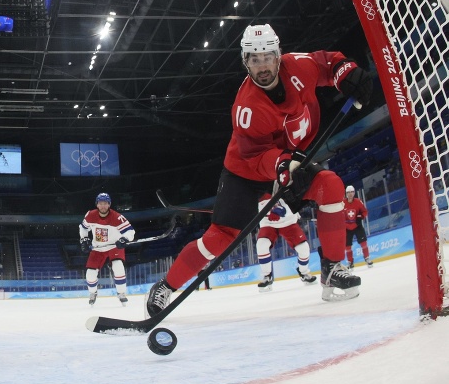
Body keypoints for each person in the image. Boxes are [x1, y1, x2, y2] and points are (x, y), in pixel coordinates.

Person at [145, 24, 374, 315]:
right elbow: (254, 155)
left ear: (278, 56)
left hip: (289, 161)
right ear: (245, 62)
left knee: (330, 185)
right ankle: (165, 286)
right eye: (254, 59)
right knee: (220, 237)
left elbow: (327, 63)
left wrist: (346, 72)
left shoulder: (299, 66)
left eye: (267, 57)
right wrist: (282, 166)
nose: (262, 65)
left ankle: (331, 270)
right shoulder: (247, 107)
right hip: (246, 172)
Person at [79, 192, 134, 306]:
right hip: (98, 247)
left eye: (105, 203)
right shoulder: (90, 215)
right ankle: (93, 293)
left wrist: (124, 239)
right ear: (97, 204)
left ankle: (121, 293)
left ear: (109, 204)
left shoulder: (117, 217)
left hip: (114, 246)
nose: (103, 206)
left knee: (118, 266)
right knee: (90, 273)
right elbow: (83, 228)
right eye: (100, 203)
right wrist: (84, 239)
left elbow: (130, 231)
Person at [255, 193, 317, 292]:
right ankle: (267, 276)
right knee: (261, 245)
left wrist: (283, 211)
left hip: (288, 221)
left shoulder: (286, 181)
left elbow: (296, 201)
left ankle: (304, 272)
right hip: (268, 223)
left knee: (303, 248)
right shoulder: (259, 185)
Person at [344, 185, 372, 269]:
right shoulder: (342, 203)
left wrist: (361, 217)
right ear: (346, 193)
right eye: (348, 192)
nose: (350, 194)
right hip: (347, 227)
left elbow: (364, 211)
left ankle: (367, 258)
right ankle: (350, 262)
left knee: (363, 243)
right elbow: (339, 215)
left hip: (357, 226)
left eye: (352, 192)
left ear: (354, 192)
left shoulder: (358, 202)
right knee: (347, 246)